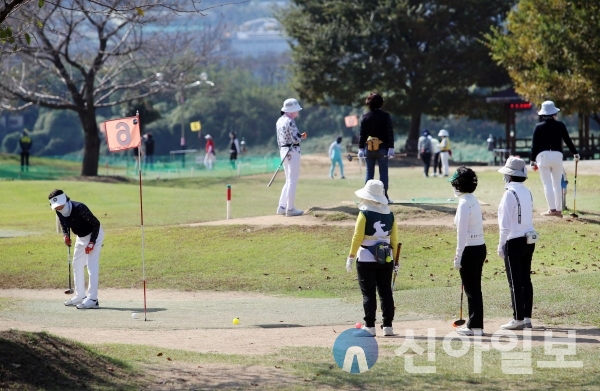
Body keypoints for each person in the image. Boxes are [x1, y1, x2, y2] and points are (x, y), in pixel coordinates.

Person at [346, 180, 400, 337]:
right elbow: (394, 240)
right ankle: (388, 326)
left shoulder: (364, 213)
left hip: (365, 259)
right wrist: (397, 260)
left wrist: (350, 256)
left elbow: (357, 237)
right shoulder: (390, 214)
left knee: (368, 293)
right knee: (386, 293)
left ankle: (370, 326)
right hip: (386, 260)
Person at [497, 157, 537, 330]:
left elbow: (504, 225)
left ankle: (518, 318)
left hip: (514, 241)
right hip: (529, 239)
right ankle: (526, 317)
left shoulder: (509, 194)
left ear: (509, 176)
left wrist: (501, 244)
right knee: (525, 280)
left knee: (514, 282)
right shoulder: (527, 192)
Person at [49, 189, 104, 310]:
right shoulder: (59, 211)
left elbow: (96, 223)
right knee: (77, 264)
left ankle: (93, 299)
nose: (58, 208)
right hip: (81, 237)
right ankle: (80, 296)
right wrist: (66, 235)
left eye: (59, 205)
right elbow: (64, 224)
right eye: (56, 207)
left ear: (64, 200)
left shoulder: (80, 208)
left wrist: (92, 242)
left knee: (91, 265)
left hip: (94, 235)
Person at [448, 166, 486, 336]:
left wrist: (458, 255)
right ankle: (475, 323)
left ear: (458, 185)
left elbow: (461, 232)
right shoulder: (473, 199)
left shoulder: (464, 203)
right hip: (480, 247)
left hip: (469, 250)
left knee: (471, 290)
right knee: (475, 289)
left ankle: (474, 326)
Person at [530, 101, 579, 217]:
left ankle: (552, 210)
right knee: (556, 183)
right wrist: (575, 153)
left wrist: (532, 160)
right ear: (553, 114)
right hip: (557, 156)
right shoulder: (560, 125)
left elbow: (534, 145)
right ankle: (558, 210)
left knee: (547, 184)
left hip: (543, 157)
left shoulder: (538, 127)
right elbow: (568, 140)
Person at [358, 92, 394, 200]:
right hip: (383, 148)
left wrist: (360, 149)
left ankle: (368, 197)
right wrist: (391, 148)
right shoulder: (386, 116)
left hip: (368, 148)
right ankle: (384, 197)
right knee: (383, 172)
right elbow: (390, 133)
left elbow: (362, 134)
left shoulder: (365, 116)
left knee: (369, 172)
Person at [276, 98, 307, 217]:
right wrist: (302, 137)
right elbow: (295, 139)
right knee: (292, 180)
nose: (297, 112)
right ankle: (290, 208)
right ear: (291, 111)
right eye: (296, 110)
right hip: (292, 151)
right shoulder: (290, 121)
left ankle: (282, 206)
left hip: (283, 150)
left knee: (288, 180)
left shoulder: (279, 121)